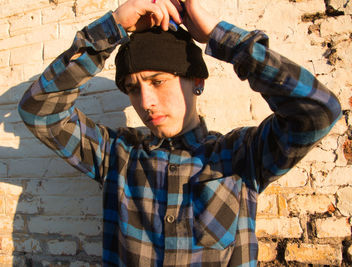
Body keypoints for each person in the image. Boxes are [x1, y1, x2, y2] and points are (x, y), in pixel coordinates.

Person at [18, 0, 342, 265]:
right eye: (132, 88)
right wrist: (112, 27)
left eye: (158, 81)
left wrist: (218, 35)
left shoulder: (240, 155)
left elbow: (317, 111)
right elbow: (39, 109)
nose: (145, 103)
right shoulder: (117, 155)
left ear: (196, 82)